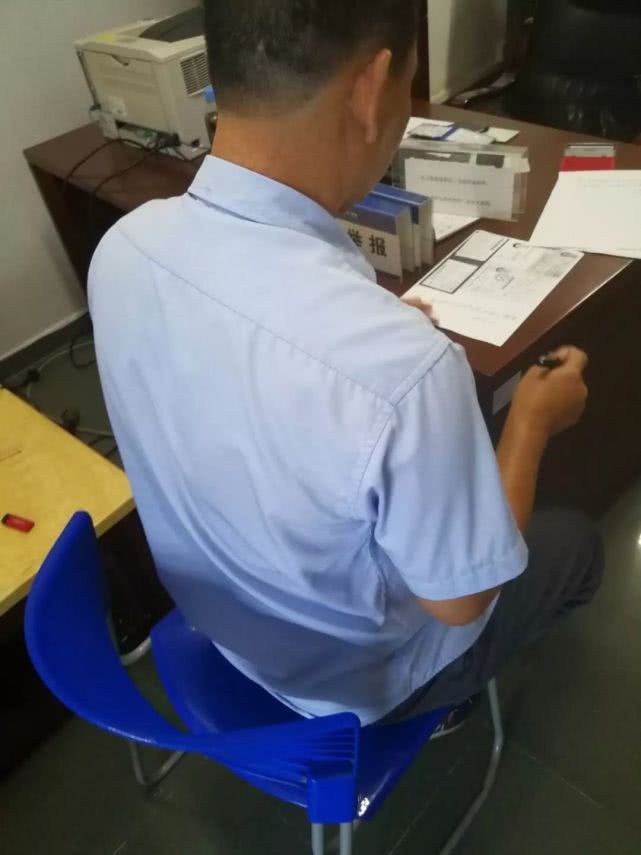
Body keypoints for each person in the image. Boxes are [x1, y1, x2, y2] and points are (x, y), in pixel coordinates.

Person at [88, 0, 603, 727]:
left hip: (218, 623)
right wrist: (530, 424)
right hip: (354, 688)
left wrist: (377, 349)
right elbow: (461, 601)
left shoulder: (122, 250)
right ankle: (441, 705)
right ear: (369, 88)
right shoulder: (404, 371)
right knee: (576, 546)